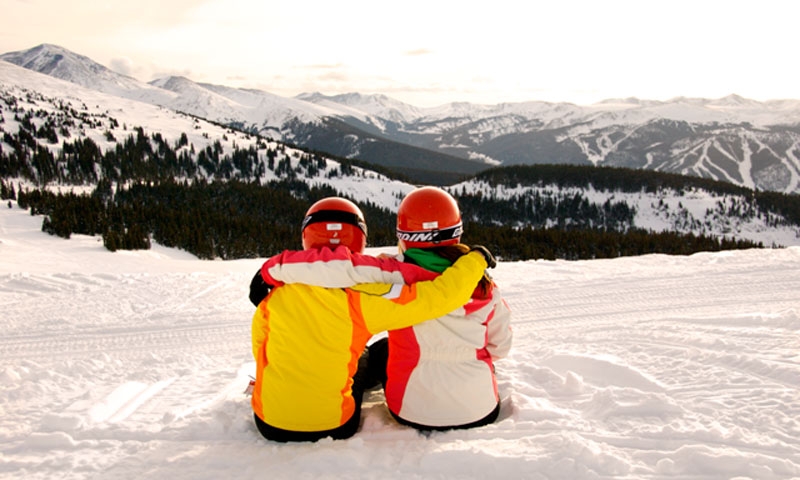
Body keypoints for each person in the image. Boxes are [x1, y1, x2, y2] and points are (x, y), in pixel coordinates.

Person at [260, 187, 512, 432]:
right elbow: (500, 346)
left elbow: (341, 267)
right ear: (456, 231)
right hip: (480, 411)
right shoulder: (485, 286)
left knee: (376, 350)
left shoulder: (389, 276)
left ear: (403, 236)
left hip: (411, 411)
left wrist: (275, 269)